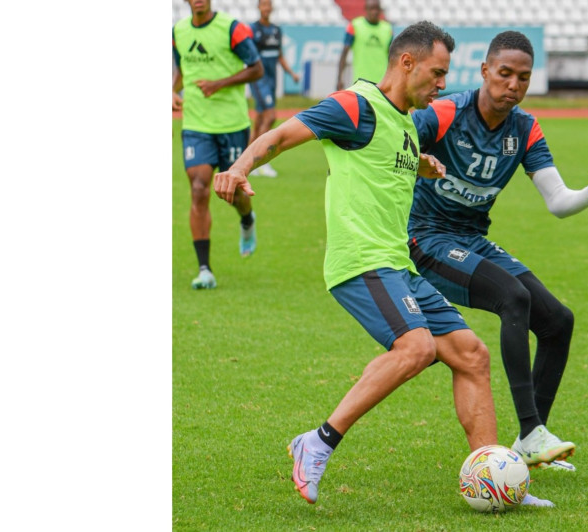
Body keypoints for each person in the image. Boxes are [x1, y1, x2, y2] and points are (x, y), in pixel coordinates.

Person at [214, 21, 554, 508]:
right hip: (361, 262)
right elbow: (285, 135)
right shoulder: (355, 105)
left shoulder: (404, 121)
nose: (442, 85)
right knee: (415, 347)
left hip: (398, 265)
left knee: (471, 355)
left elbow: (386, 158)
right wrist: (240, 168)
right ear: (406, 63)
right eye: (437, 73)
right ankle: (319, 440)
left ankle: (496, 478)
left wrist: (424, 163)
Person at [408, 30, 588, 471]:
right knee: (513, 297)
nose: (513, 85)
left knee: (558, 321)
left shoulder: (524, 128)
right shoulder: (445, 113)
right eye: (504, 74)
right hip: (426, 240)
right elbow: (391, 145)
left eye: (523, 77)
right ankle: (530, 428)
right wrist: (415, 162)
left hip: (471, 239)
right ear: (485, 71)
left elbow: (558, 201)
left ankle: (529, 440)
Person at [173, 0, 264, 289]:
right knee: (199, 189)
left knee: (235, 194)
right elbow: (183, 70)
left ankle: (247, 219)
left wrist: (219, 83)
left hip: (232, 125)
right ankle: (204, 270)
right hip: (196, 125)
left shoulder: (233, 29)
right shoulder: (178, 31)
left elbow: (257, 69)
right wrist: (172, 90)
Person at [248, 0, 300, 178]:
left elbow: (280, 56)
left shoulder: (276, 30)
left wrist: (291, 73)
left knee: (260, 120)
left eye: (268, 5)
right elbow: (249, 55)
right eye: (263, 4)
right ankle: (260, 160)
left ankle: (247, 160)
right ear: (258, 7)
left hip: (272, 80)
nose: (266, 8)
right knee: (271, 117)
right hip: (259, 79)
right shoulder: (253, 30)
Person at [335, 0, 392, 91]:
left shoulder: (387, 29)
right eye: (372, 9)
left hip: (382, 83)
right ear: (366, 9)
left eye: (377, 9)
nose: (375, 12)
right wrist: (339, 79)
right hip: (360, 83)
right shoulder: (354, 26)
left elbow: (392, 57)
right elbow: (344, 53)